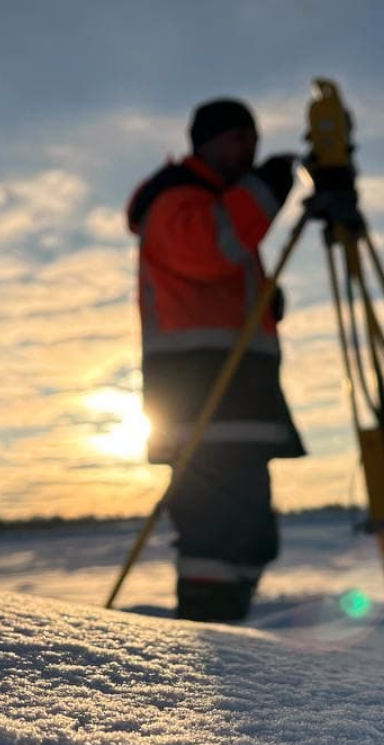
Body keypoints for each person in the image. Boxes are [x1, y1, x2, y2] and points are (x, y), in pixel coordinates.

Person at [125, 97, 305, 622]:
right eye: (236, 137)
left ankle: (231, 651)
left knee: (250, 538)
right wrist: (266, 189)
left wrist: (261, 298)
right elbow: (210, 248)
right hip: (201, 398)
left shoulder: (217, 203)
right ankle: (211, 661)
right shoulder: (176, 199)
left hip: (238, 398)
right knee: (215, 537)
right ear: (203, 142)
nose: (249, 147)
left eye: (254, 137)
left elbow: (217, 275)